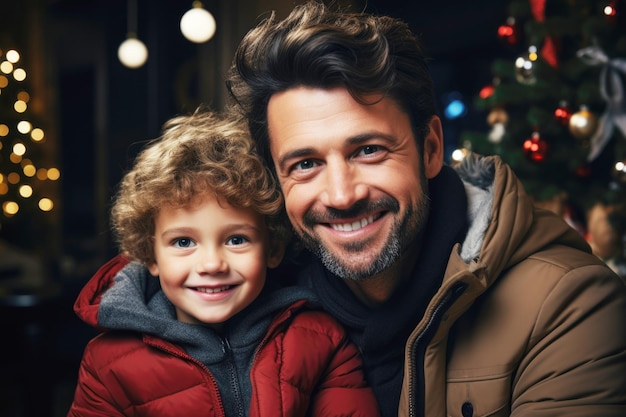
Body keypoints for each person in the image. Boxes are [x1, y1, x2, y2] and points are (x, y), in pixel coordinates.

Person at [222, 1, 626, 416]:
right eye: (305, 164)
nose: (341, 196)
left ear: (430, 148)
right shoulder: (245, 303)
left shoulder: (568, 304)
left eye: (368, 150)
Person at [67, 109, 380, 417]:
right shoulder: (108, 365)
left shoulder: (319, 339)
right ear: (151, 256)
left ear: (272, 248)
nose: (212, 264)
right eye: (183, 242)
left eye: (236, 239)